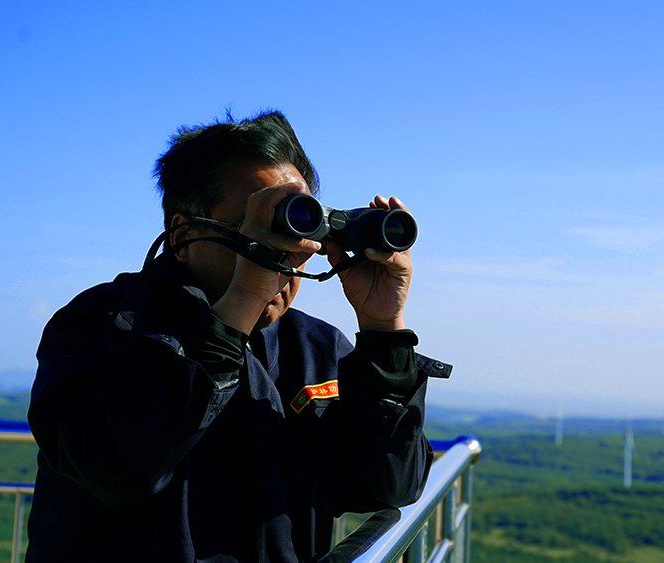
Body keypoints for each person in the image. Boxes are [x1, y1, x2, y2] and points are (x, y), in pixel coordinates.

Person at [25, 111, 449, 563]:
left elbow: (389, 484)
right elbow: (113, 468)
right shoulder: (102, 324)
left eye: (293, 223)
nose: (281, 252)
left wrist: (383, 329)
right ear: (183, 235)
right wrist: (242, 300)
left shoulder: (316, 348)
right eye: (254, 225)